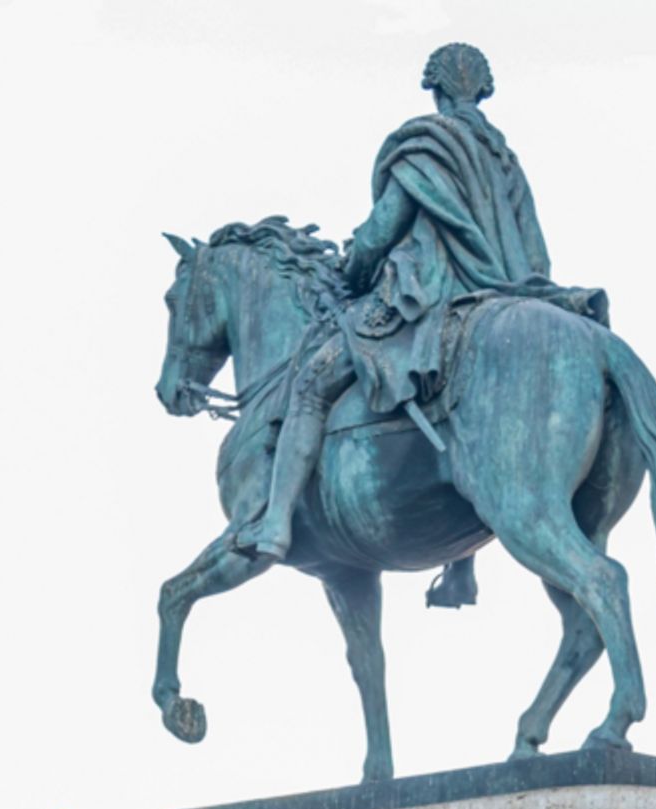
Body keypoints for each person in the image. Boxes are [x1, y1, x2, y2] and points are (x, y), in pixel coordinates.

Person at [238, 41, 607, 563]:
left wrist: (353, 270)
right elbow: (536, 254)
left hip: (426, 296)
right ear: (483, 89)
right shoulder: (504, 160)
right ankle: (461, 565)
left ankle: (275, 522)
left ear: (434, 89)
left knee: (310, 386)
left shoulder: (425, 145)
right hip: (504, 292)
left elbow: (381, 230)